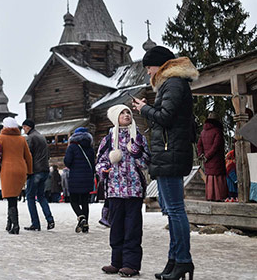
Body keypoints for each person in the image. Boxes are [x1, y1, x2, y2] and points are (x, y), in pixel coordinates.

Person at [133, 46, 196, 280]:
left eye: (149, 67)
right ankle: (174, 260)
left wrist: (144, 109)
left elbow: (165, 117)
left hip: (171, 154)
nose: (148, 72)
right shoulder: (171, 83)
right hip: (168, 153)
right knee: (171, 211)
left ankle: (183, 261)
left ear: (159, 65)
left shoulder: (173, 83)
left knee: (176, 211)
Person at [96, 105, 150, 277]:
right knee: (116, 227)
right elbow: (99, 162)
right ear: (115, 117)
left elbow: (146, 163)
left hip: (134, 190)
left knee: (132, 228)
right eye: (122, 113)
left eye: (128, 112)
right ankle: (116, 262)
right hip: (114, 190)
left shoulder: (138, 137)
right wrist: (105, 169)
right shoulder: (108, 139)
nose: (127, 115)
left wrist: (136, 153)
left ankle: (131, 264)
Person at [0, 117, 33, 234]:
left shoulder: (2, 137)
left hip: (8, 169)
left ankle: (15, 225)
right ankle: (9, 223)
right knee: (13, 197)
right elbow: (28, 156)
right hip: (21, 169)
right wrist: (29, 171)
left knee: (11, 199)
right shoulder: (21, 139)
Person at [21, 119, 55, 231]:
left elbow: (28, 154)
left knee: (30, 197)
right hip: (45, 169)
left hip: (35, 171)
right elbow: (48, 155)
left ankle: (35, 223)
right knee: (41, 196)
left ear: (28, 127)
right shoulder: (41, 136)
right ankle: (50, 219)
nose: (23, 129)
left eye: (24, 127)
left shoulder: (31, 138)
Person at [64, 127, 95, 233]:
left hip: (75, 177)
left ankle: (81, 217)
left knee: (74, 200)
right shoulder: (90, 148)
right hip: (87, 177)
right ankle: (85, 225)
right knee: (85, 202)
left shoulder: (72, 147)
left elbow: (67, 162)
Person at [197, 112, 228, 201]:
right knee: (218, 177)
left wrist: (202, 155)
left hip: (207, 160)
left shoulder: (203, 132)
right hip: (216, 159)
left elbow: (199, 145)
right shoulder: (217, 131)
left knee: (210, 177)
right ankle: (219, 196)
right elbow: (216, 146)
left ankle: (210, 196)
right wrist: (208, 156)